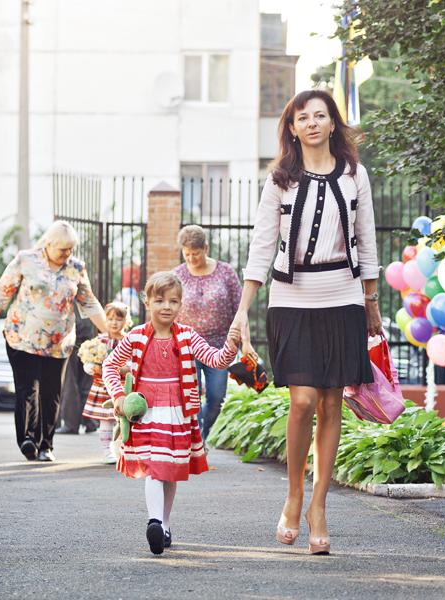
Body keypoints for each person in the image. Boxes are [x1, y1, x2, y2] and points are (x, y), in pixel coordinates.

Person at [230, 90, 382, 555]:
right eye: (303, 117)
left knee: (332, 405)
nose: (313, 123)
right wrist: (243, 311)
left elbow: (367, 238)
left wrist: (371, 302)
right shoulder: (279, 179)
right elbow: (261, 247)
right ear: (292, 128)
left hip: (342, 298)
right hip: (291, 299)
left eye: (321, 115)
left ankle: (318, 506)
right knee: (303, 400)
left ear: (333, 123)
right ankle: (294, 493)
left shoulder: (356, 174)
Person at [102, 272, 240, 555]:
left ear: (181, 305)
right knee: (155, 467)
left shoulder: (188, 335)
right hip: (146, 413)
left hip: (178, 413)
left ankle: (164, 524)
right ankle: (154, 522)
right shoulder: (136, 335)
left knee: (170, 471)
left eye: (173, 301)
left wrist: (231, 346)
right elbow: (109, 365)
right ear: (148, 302)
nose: (167, 306)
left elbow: (215, 359)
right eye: (159, 300)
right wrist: (118, 396)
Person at [0, 220, 106, 462]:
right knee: (27, 390)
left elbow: (89, 303)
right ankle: (27, 440)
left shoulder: (76, 268)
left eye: (71, 249)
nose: (67, 254)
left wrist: (110, 333)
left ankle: (46, 446)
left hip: (59, 344)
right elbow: (1, 292)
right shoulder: (25, 260)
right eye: (63, 249)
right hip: (22, 338)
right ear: (49, 244)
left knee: (51, 393)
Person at [172, 225, 242, 439]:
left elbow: (240, 309)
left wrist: (243, 341)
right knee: (190, 397)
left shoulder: (226, 272)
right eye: (187, 254)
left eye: (196, 253)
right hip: (186, 347)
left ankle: (201, 433)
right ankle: (196, 442)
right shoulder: (177, 275)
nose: (192, 258)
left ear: (206, 248)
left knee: (216, 397)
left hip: (218, 347)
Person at [80, 302, 131, 464]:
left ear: (126, 321)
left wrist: (126, 369)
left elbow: (136, 362)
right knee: (105, 420)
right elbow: (87, 359)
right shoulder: (100, 340)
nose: (114, 323)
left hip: (122, 387)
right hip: (102, 386)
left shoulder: (129, 340)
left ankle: (119, 449)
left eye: (118, 319)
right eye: (110, 319)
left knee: (122, 419)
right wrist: (92, 368)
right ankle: (107, 451)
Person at [55, 311, 98, 435]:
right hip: (85, 328)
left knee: (69, 381)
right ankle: (90, 421)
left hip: (70, 332)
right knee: (86, 379)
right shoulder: (84, 292)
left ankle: (71, 424)